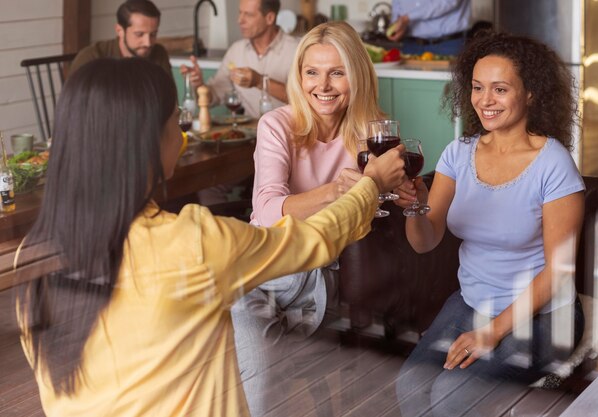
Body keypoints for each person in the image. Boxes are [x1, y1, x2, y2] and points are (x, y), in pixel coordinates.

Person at [13, 58, 406, 417]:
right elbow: (313, 239)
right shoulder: (194, 242)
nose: (182, 132)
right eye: (175, 122)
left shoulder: (32, 258)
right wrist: (369, 186)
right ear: (153, 142)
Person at [392, 31, 586, 416]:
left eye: (500, 89)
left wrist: (493, 332)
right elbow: (425, 241)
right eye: (478, 87)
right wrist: (414, 207)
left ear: (530, 93)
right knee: (410, 386)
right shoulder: (458, 153)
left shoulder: (553, 163)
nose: (485, 100)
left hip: (545, 316)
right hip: (472, 301)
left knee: (450, 396)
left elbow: (559, 269)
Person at [230, 21, 394, 416]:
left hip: (325, 277)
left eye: (337, 72)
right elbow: (268, 211)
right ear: (299, 76)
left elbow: (379, 210)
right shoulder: (278, 126)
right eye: (312, 72)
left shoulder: (374, 133)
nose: (323, 85)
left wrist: (401, 191)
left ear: (356, 75)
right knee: (258, 377)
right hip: (265, 271)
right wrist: (340, 190)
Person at [180, 0, 299, 118]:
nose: (240, 20)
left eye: (248, 15)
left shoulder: (297, 50)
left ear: (269, 18)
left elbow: (305, 99)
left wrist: (258, 81)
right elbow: (213, 97)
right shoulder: (236, 51)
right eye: (240, 13)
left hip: (291, 132)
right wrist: (199, 84)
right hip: (252, 133)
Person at [68, 0, 172, 78]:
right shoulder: (92, 57)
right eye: (139, 34)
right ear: (120, 31)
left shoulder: (159, 53)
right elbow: (74, 104)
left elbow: (170, 99)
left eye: (153, 34)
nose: (148, 43)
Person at [386, 0, 471, 56]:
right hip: (411, 45)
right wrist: (398, 25)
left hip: (448, 45)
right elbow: (398, 5)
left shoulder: (407, 18)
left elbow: (449, 2)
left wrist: (407, 18)